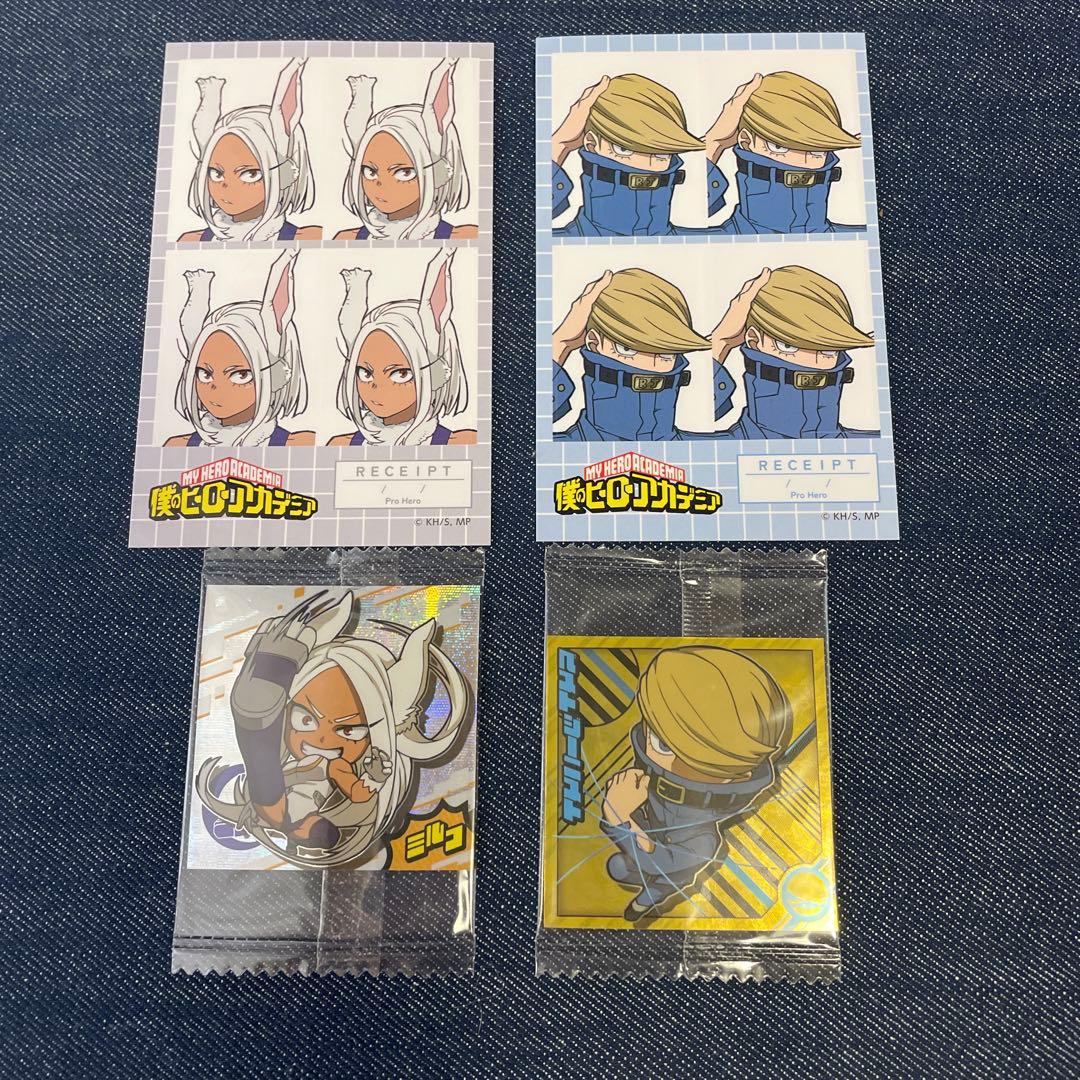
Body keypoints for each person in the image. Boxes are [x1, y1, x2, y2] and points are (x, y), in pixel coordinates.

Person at [195, 590, 472, 868]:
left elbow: (357, 793)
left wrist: (375, 778)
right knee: (256, 724)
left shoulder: (333, 769)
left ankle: (272, 670)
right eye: (305, 720)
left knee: (255, 718)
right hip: (275, 800)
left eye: (349, 731)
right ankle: (273, 671)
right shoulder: (310, 770)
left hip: (277, 803)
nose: (322, 738)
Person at [600, 646, 792, 921]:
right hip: (649, 831)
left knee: (658, 887)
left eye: (667, 744)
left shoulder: (703, 840)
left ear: (735, 774)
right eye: (656, 734)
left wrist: (618, 816)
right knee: (619, 867)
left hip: (671, 871)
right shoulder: (652, 769)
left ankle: (649, 900)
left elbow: (659, 862)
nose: (654, 744)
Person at [165, 249, 314, 447]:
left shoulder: (299, 444)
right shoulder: (177, 445)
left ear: (277, 375)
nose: (216, 388)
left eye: (240, 375)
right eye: (205, 374)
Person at [328, 249, 476, 447]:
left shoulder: (461, 443)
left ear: (436, 374)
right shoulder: (340, 445)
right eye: (365, 373)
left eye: (400, 374)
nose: (377, 387)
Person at [717, 265, 877, 438]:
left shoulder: (874, 443)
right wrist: (721, 342)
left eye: (828, 350)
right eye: (787, 346)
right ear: (754, 340)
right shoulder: (714, 448)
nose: (812, 363)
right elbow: (699, 417)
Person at [178, 58, 321, 242]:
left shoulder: (309, 238)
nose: (226, 186)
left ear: (285, 174)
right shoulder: (190, 241)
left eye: (250, 174)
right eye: (216, 173)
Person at [334, 59, 477, 240]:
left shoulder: (464, 237)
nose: (381, 185)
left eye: (404, 172)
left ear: (439, 173)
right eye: (370, 172)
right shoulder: (346, 239)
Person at [707, 71, 864, 234]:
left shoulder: (862, 237)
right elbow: (693, 213)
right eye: (778, 147)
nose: (801, 163)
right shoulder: (707, 241)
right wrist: (714, 144)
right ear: (746, 141)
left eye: (816, 150)